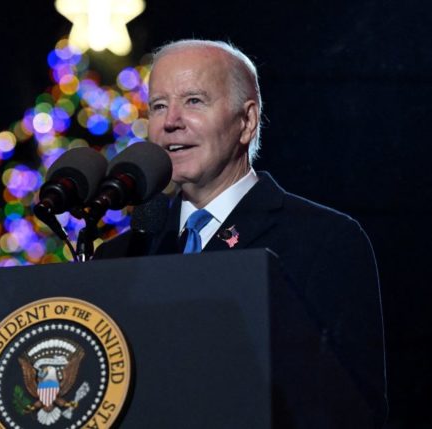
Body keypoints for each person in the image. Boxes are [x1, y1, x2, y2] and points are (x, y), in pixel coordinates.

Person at [95, 40, 387, 427]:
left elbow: (353, 408)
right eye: (159, 106)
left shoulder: (324, 240)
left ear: (247, 121)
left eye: (194, 101)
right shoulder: (121, 255)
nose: (170, 122)